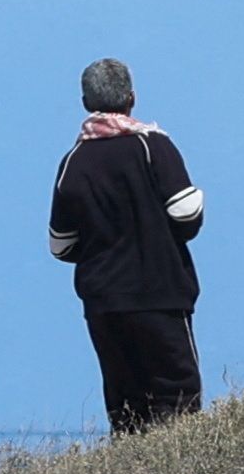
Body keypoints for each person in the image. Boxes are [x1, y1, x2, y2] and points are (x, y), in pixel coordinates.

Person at [49, 56, 208, 433]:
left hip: (104, 303)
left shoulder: (74, 162)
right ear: (131, 98)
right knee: (178, 397)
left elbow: (60, 246)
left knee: (125, 406)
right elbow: (186, 211)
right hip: (161, 294)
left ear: (86, 103)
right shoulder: (153, 146)